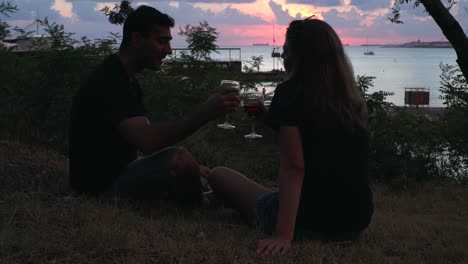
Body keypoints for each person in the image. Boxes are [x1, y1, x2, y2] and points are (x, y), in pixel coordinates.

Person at [204, 18, 373, 255]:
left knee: (219, 175)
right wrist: (270, 120)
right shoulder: (349, 101)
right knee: (276, 190)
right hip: (354, 222)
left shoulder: (289, 92)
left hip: (308, 221)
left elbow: (295, 166)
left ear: (298, 58)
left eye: (285, 54)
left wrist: (283, 235)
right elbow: (316, 146)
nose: (283, 60)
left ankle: (217, 195)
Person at [68, 5, 240, 205]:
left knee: (200, 172)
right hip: (101, 188)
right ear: (137, 39)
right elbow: (150, 140)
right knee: (181, 159)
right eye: (161, 42)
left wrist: (185, 168)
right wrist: (205, 112)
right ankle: (204, 203)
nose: (168, 51)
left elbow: (142, 144)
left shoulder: (125, 78)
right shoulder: (110, 82)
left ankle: (218, 194)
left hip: (119, 173)